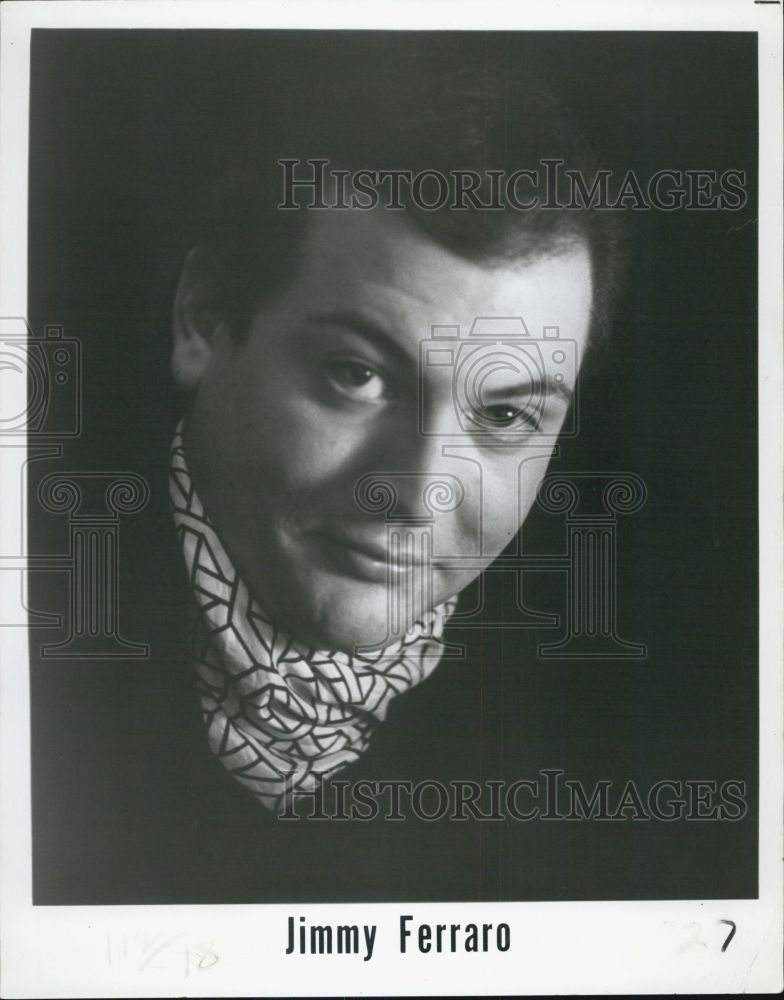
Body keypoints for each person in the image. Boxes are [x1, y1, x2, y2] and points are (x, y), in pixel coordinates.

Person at [29, 34, 757, 905]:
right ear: (204, 318)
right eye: (357, 375)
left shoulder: (630, 755)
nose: (417, 491)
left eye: (505, 416)